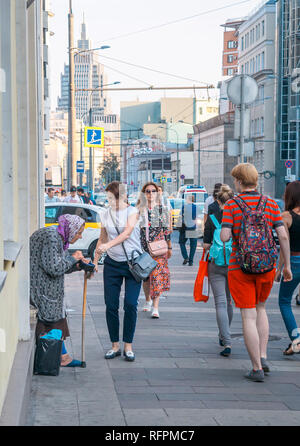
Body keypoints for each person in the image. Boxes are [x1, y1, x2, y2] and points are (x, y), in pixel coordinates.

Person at [220, 163, 292, 382]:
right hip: (267, 266)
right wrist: (285, 266)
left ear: (240, 181)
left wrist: (229, 230)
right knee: (261, 309)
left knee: (247, 314)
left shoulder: (232, 205)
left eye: (235, 180)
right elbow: (283, 236)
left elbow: (224, 237)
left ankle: (256, 368)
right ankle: (263, 356)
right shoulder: (270, 204)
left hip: (239, 266)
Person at [30, 214, 89, 367]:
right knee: (51, 320)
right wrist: (73, 258)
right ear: (71, 229)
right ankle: (59, 357)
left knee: (56, 318)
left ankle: (63, 356)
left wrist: (78, 265)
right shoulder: (52, 237)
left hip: (47, 287)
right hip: (40, 287)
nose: (80, 237)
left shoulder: (58, 238)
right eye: (79, 232)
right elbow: (54, 268)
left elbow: (60, 264)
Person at [93, 181, 142, 362]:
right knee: (111, 305)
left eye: (111, 198)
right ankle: (114, 345)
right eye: (107, 198)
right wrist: (95, 261)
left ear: (122, 196)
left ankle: (128, 345)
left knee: (130, 304)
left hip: (133, 263)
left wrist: (107, 245)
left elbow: (127, 233)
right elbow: (102, 238)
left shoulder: (133, 212)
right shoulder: (105, 214)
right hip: (112, 264)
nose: (109, 202)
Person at [203, 185, 234, 357]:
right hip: (234, 264)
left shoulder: (213, 218)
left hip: (215, 263)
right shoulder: (237, 218)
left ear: (218, 200)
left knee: (220, 302)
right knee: (229, 301)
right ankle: (225, 335)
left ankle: (226, 340)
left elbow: (206, 244)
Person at [138, 182, 171, 318]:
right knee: (146, 277)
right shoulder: (139, 209)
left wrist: (169, 247)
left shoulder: (162, 210)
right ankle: (147, 300)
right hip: (143, 248)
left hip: (158, 248)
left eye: (153, 191)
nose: (150, 193)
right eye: (147, 191)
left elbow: (166, 230)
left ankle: (155, 307)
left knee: (157, 276)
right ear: (144, 193)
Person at [276, 181, 300, 355]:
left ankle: (297, 340)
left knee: (284, 301)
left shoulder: (286, 217)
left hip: (295, 261)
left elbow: (284, 245)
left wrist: (281, 269)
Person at [179, 195, 198, 266]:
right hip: (192, 227)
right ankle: (191, 261)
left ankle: (185, 257)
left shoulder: (184, 206)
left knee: (182, 242)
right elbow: (197, 217)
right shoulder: (196, 207)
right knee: (193, 245)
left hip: (185, 228)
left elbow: (180, 216)